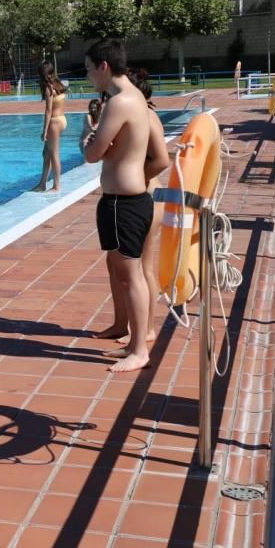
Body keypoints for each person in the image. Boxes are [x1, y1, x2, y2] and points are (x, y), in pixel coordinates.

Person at [80, 39, 163, 373]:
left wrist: (86, 133)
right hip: (133, 200)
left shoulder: (119, 102)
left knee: (131, 277)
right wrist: (134, 174)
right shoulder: (139, 100)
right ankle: (133, 342)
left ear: (103, 67)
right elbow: (158, 159)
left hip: (122, 204)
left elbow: (90, 154)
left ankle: (140, 350)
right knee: (130, 274)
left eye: (88, 70)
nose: (88, 77)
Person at [96, 69, 170, 350]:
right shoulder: (135, 113)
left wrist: (141, 179)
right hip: (138, 193)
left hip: (146, 195)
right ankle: (120, 322)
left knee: (142, 267)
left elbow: (162, 160)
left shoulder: (145, 115)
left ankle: (147, 329)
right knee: (115, 264)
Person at [32, 60, 67, 193]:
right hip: (62, 119)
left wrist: (44, 131)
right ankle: (42, 184)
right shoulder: (58, 84)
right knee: (46, 153)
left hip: (54, 122)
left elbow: (48, 111)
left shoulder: (48, 88)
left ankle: (57, 186)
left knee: (54, 154)